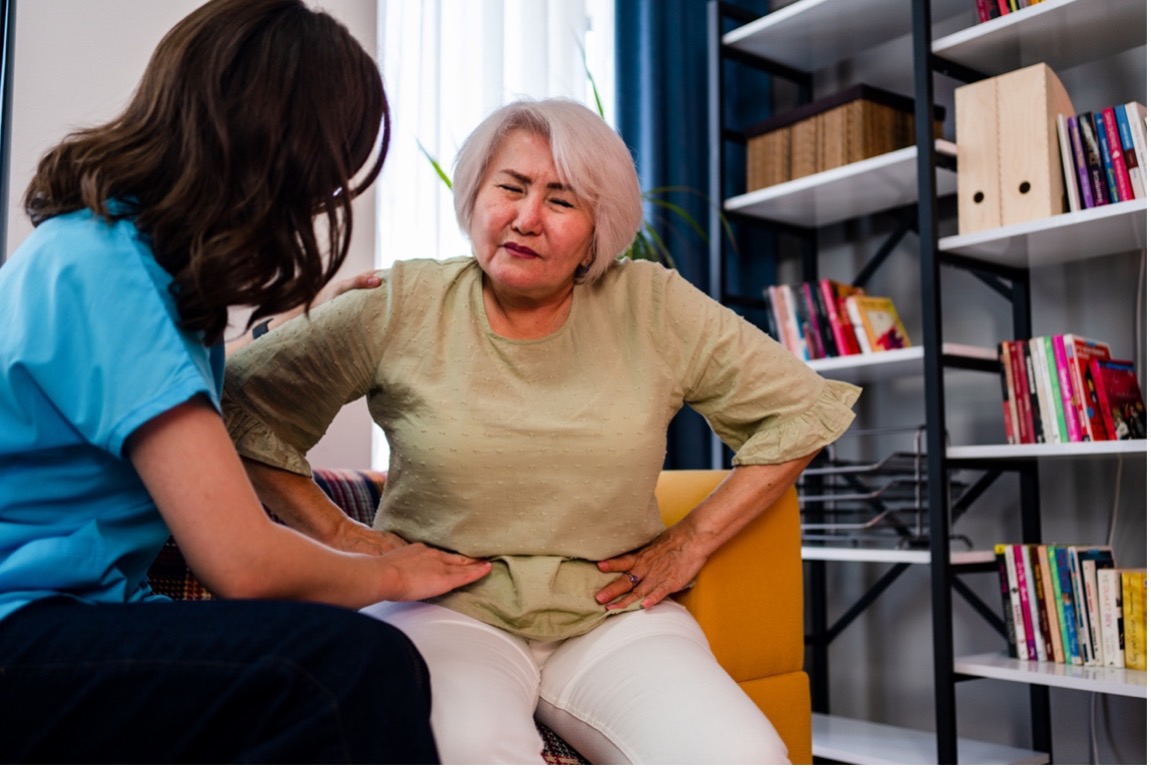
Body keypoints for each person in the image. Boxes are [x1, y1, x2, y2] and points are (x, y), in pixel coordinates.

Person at [222, 96, 861, 764]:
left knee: (743, 757)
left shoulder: (652, 304)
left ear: (597, 228)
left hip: (613, 615)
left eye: (561, 200)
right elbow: (239, 406)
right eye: (510, 187)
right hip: (442, 608)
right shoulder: (402, 303)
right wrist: (343, 538)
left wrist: (690, 542)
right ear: (475, 195)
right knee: (467, 751)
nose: (526, 218)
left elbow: (798, 411)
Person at [0, 0, 491, 763]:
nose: (324, 197)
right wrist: (388, 570)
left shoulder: (112, 255)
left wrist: (308, 327)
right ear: (274, 149)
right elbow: (243, 562)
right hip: (19, 629)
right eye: (325, 171)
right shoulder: (105, 269)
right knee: (348, 669)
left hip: (65, 612)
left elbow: (175, 407)